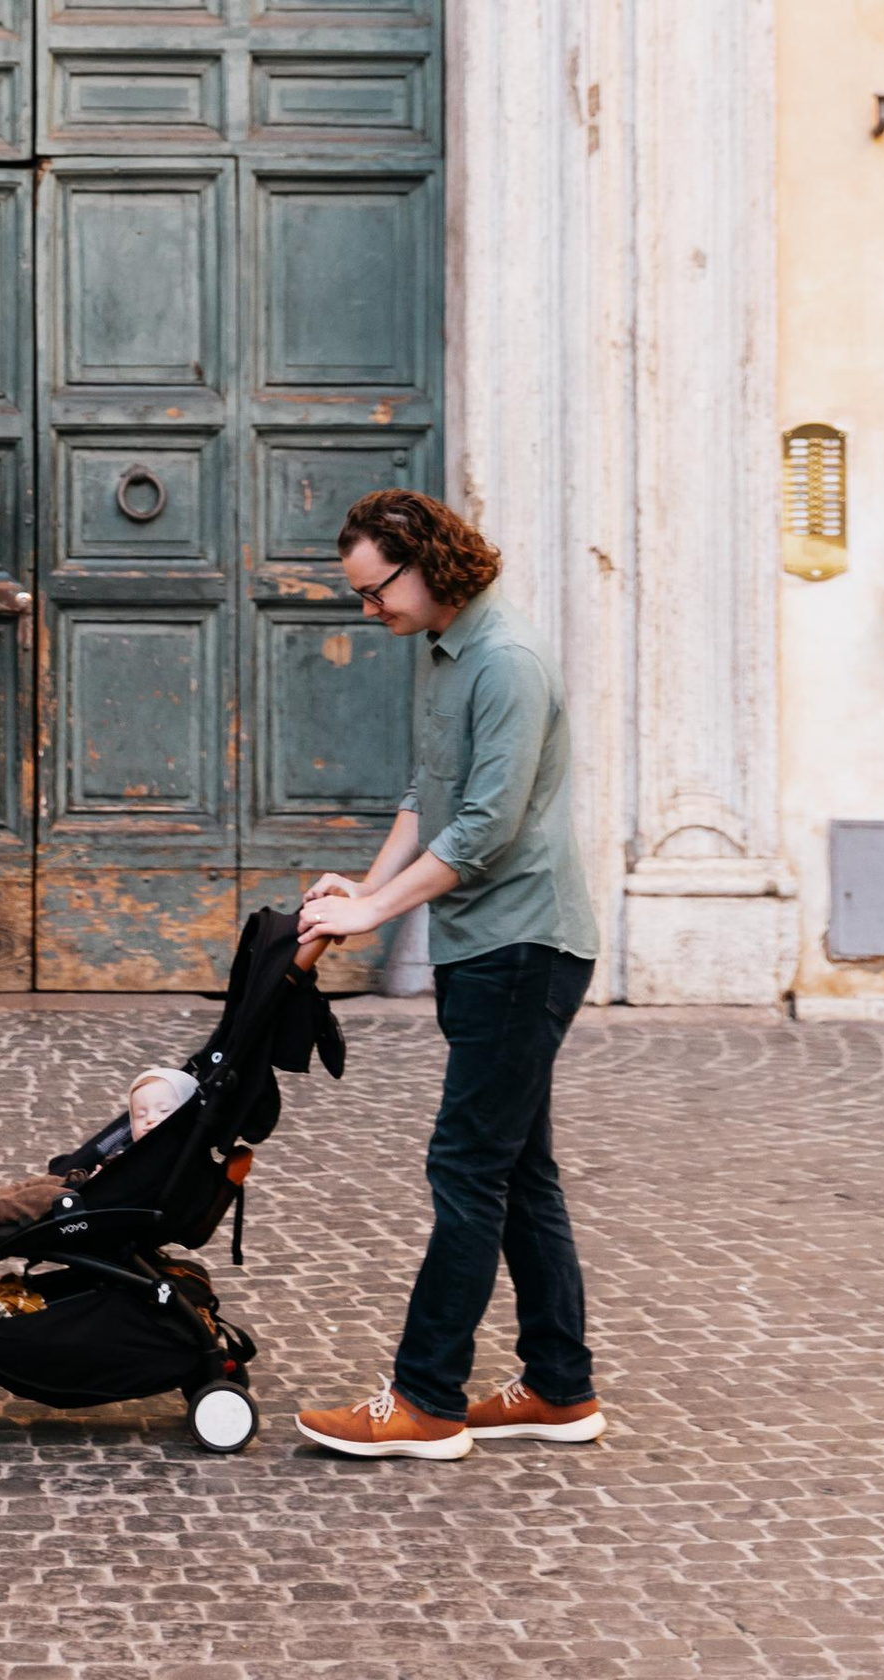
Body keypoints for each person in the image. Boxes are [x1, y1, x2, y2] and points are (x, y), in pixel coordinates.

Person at [293, 489, 606, 1461]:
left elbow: (484, 829)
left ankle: (427, 1398)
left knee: (468, 1168)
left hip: (526, 947)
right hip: (488, 947)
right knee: (519, 1170)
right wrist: (361, 892)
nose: (367, 612)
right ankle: (560, 1387)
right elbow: (427, 799)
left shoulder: (504, 660)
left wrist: (376, 914)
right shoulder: (442, 652)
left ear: (428, 564)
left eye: (373, 591)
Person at [0, 1060, 199, 1239]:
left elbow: (137, 1185)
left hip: (109, 1212)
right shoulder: (151, 1149)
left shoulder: (171, 1155)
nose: (151, 1119)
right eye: (140, 1115)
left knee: (44, 1194)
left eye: (164, 1112)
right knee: (50, 1180)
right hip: (102, 1196)